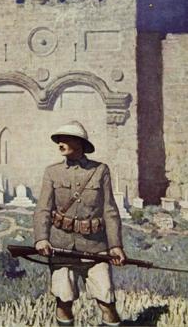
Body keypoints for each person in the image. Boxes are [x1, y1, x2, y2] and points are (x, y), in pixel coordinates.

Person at [33, 121, 126, 327]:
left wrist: (116, 245)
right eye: (59, 140)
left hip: (95, 247)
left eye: (66, 139)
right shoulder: (52, 172)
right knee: (63, 300)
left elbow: (109, 209)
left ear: (81, 143)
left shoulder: (100, 170)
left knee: (106, 300)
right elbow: (43, 209)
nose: (60, 143)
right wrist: (41, 239)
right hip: (61, 248)